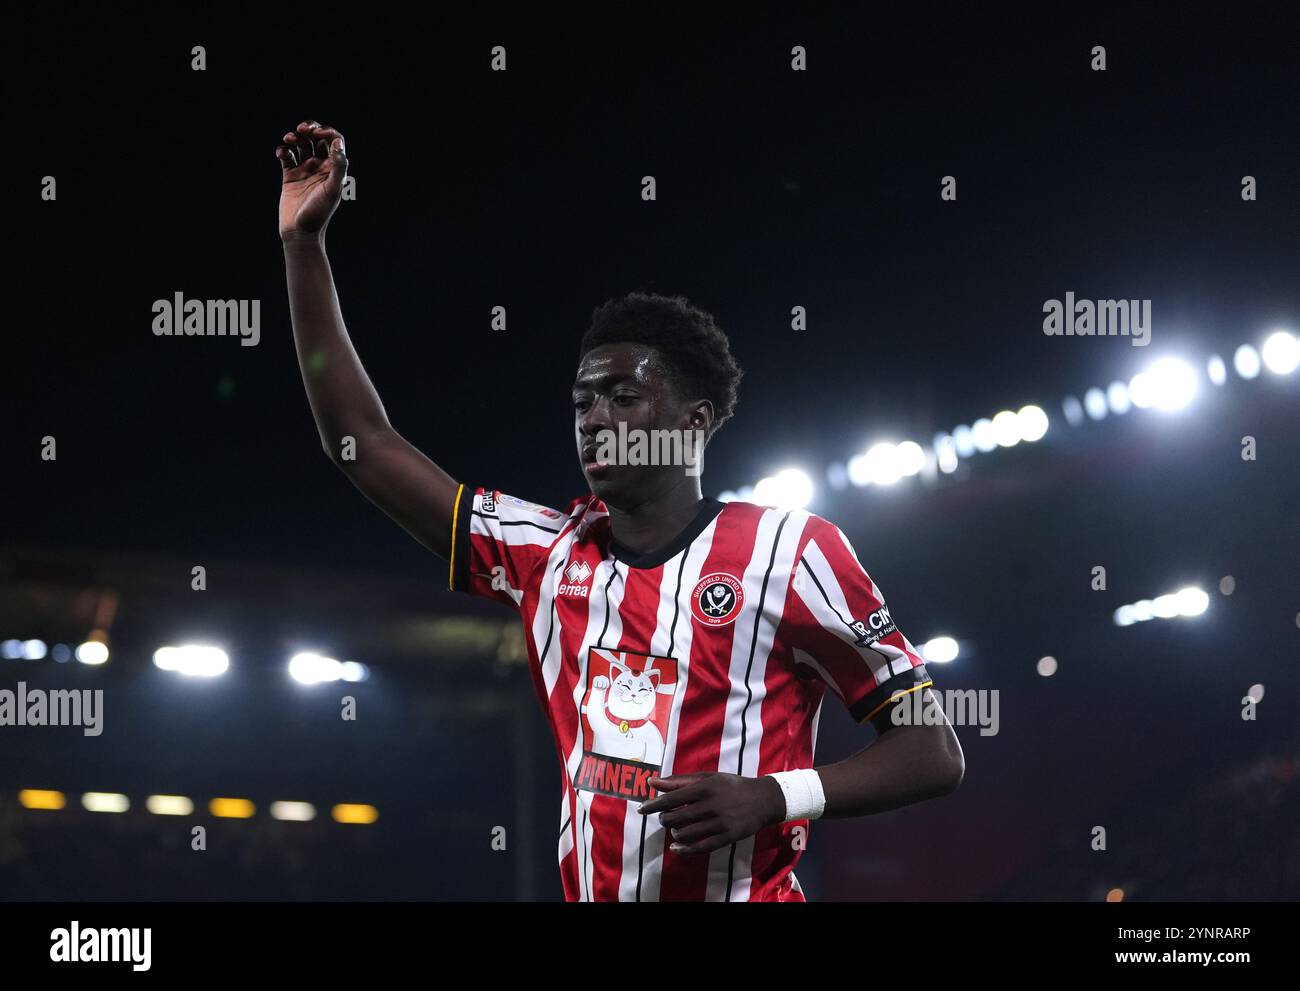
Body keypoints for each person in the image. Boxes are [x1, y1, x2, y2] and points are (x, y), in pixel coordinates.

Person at [277, 119, 965, 901]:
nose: (594, 416)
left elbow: (933, 751)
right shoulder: (547, 556)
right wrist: (305, 245)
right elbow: (360, 441)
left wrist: (777, 794)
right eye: (581, 400)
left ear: (694, 420)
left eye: (624, 396)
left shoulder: (792, 550)